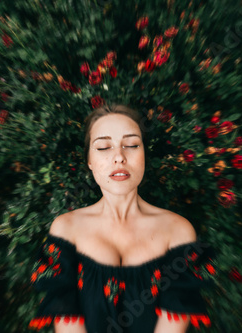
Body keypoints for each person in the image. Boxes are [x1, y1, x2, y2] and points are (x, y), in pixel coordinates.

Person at [29, 104, 216, 333]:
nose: (119, 157)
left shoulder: (178, 231)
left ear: (144, 155)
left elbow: (173, 323)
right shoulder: (66, 230)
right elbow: (66, 321)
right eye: (104, 147)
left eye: (131, 145)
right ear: (89, 161)